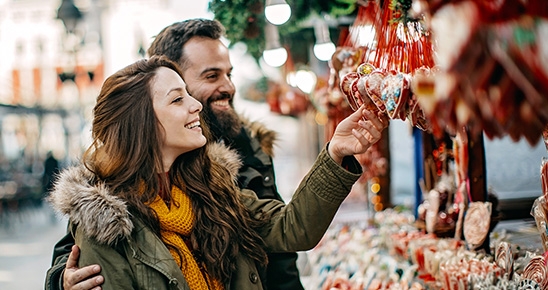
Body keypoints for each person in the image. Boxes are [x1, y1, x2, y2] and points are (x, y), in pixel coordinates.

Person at [45, 55, 387, 289]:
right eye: (177, 100)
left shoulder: (213, 189)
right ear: (142, 124)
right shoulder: (106, 224)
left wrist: (335, 152)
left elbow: (292, 228)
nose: (196, 105)